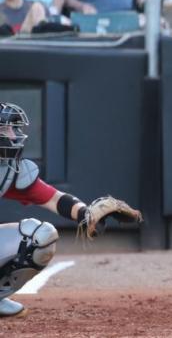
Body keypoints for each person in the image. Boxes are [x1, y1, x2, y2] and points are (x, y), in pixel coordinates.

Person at [0, 102, 142, 317]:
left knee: (39, 236)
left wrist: (87, 215)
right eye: (5, 129)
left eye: (13, 128)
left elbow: (54, 199)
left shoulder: (8, 172)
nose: (13, 135)